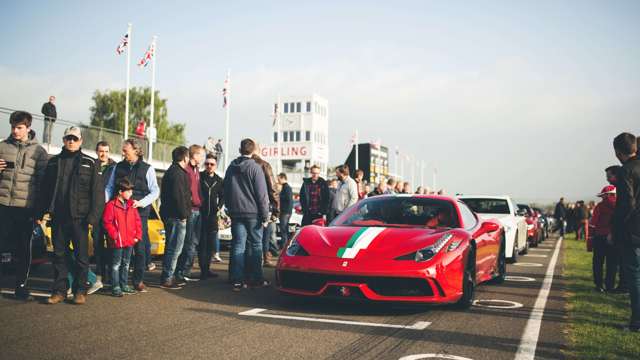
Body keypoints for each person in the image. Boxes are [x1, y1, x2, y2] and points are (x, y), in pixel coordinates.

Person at [40, 126, 104, 305]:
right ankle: (59, 291)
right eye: (68, 138)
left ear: (81, 141)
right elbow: (45, 190)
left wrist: (92, 218)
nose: (71, 141)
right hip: (58, 217)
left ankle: (80, 291)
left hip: (80, 219)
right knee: (58, 255)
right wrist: (40, 212)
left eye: (75, 139)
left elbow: (98, 195)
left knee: (82, 257)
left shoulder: (90, 162)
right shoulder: (53, 162)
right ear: (63, 140)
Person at [0, 111, 49, 300]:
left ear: (28, 128)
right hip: (3, 204)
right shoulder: (2, 147)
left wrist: (40, 211)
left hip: (25, 208)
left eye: (19, 127)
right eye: (13, 127)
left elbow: (43, 184)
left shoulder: (39, 152)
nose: (15, 131)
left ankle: (21, 286)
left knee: (23, 248)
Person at [105, 138, 159, 292]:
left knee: (140, 249)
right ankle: (116, 282)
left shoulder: (148, 169)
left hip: (139, 214)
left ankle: (138, 280)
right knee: (118, 248)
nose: (123, 153)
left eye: (125, 150)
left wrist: (141, 202)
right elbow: (109, 187)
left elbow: (155, 191)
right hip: (118, 213)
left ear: (136, 150)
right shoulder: (118, 167)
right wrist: (106, 204)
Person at [223, 138, 269, 291]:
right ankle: (257, 279)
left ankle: (237, 280)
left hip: (236, 212)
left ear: (239, 149)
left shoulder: (231, 167)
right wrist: (265, 215)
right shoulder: (255, 168)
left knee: (238, 245)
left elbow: (226, 190)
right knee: (256, 245)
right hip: (253, 213)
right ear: (253, 150)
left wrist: (229, 208)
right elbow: (262, 195)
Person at [612, 132, 640, 331]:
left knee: (634, 275)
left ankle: (637, 321)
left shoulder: (625, 171)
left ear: (617, 152)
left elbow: (626, 204)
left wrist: (616, 228)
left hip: (632, 230)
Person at [159, 146, 191, 289]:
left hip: (170, 215)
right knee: (174, 248)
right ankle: (168, 277)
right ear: (185, 158)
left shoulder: (171, 172)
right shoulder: (178, 174)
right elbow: (179, 197)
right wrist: (184, 215)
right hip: (176, 217)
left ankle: (167, 275)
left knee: (171, 247)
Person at [102, 179, 141, 297]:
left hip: (129, 240)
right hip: (117, 241)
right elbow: (106, 222)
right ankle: (115, 286)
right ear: (120, 192)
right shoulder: (111, 205)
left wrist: (137, 236)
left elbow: (137, 221)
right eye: (128, 191)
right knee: (115, 264)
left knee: (126, 263)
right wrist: (115, 235)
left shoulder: (131, 205)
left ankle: (124, 285)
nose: (131, 194)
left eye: (131, 191)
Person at [175, 145, 205, 282]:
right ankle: (181, 272)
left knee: (194, 242)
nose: (203, 158)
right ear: (195, 155)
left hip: (198, 210)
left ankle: (186, 271)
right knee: (187, 243)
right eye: (201, 155)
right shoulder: (186, 170)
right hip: (191, 210)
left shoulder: (197, 170)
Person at [92, 141, 116, 288]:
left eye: (106, 151)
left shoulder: (115, 167)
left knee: (112, 243)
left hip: (109, 211)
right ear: (96, 151)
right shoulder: (92, 166)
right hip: (96, 212)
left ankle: (112, 275)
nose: (104, 154)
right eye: (101, 151)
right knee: (97, 244)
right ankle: (100, 274)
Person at [252, 150, 279, 266]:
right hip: (264, 205)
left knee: (245, 240)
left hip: (246, 207)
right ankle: (264, 259)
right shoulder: (264, 165)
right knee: (265, 236)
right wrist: (276, 209)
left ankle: (246, 267)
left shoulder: (239, 165)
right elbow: (273, 189)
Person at [199, 154, 224, 279]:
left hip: (213, 216)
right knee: (201, 243)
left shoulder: (219, 180)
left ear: (215, 166)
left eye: (212, 164)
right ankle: (202, 270)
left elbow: (223, 195)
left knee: (210, 244)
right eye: (207, 163)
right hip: (201, 214)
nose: (209, 166)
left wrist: (219, 206)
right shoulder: (199, 176)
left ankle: (207, 269)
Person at [605, 165, 627, 293]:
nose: (608, 179)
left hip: (624, 230)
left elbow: (621, 211)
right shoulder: (621, 188)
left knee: (623, 261)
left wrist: (613, 230)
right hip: (623, 229)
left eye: (609, 176)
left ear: (616, 175)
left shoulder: (623, 188)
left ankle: (624, 286)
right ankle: (623, 285)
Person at [591, 185, 617, 292]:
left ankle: (599, 285)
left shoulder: (600, 206)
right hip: (614, 237)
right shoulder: (619, 205)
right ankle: (610, 285)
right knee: (612, 263)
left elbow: (593, 222)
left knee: (598, 262)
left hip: (600, 236)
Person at [278, 173, 293, 248]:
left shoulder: (286, 187)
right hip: (286, 212)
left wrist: (279, 196)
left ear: (282, 178)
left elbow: (288, 200)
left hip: (285, 212)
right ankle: (285, 245)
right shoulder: (285, 187)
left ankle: (285, 246)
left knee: (283, 229)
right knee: (284, 229)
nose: (278, 180)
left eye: (278, 178)